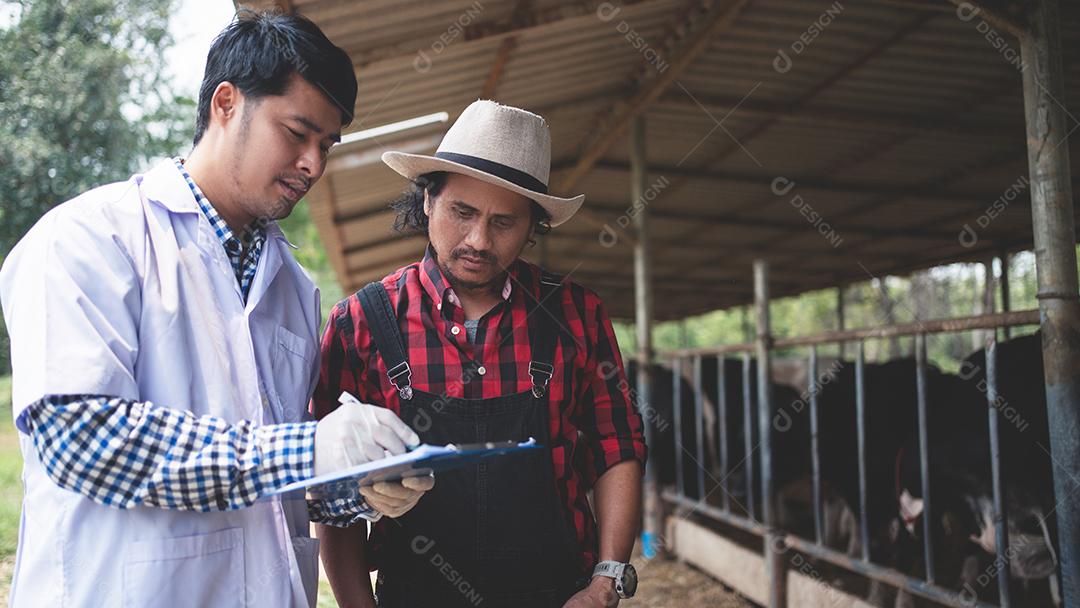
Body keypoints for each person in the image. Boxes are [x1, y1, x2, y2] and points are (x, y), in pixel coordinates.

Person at [0, 11, 430, 607]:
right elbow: (81, 439)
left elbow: (278, 480)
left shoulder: (293, 289)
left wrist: (359, 482)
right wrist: (307, 448)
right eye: (297, 132)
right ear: (227, 103)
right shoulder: (89, 239)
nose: (314, 165)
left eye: (327, 145)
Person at [314, 100, 647, 608]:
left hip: (556, 596)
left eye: (504, 222)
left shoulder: (577, 314)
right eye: (461, 213)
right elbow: (332, 488)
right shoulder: (360, 323)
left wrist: (605, 582)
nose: (478, 240)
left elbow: (616, 443)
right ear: (428, 201)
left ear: (533, 224)